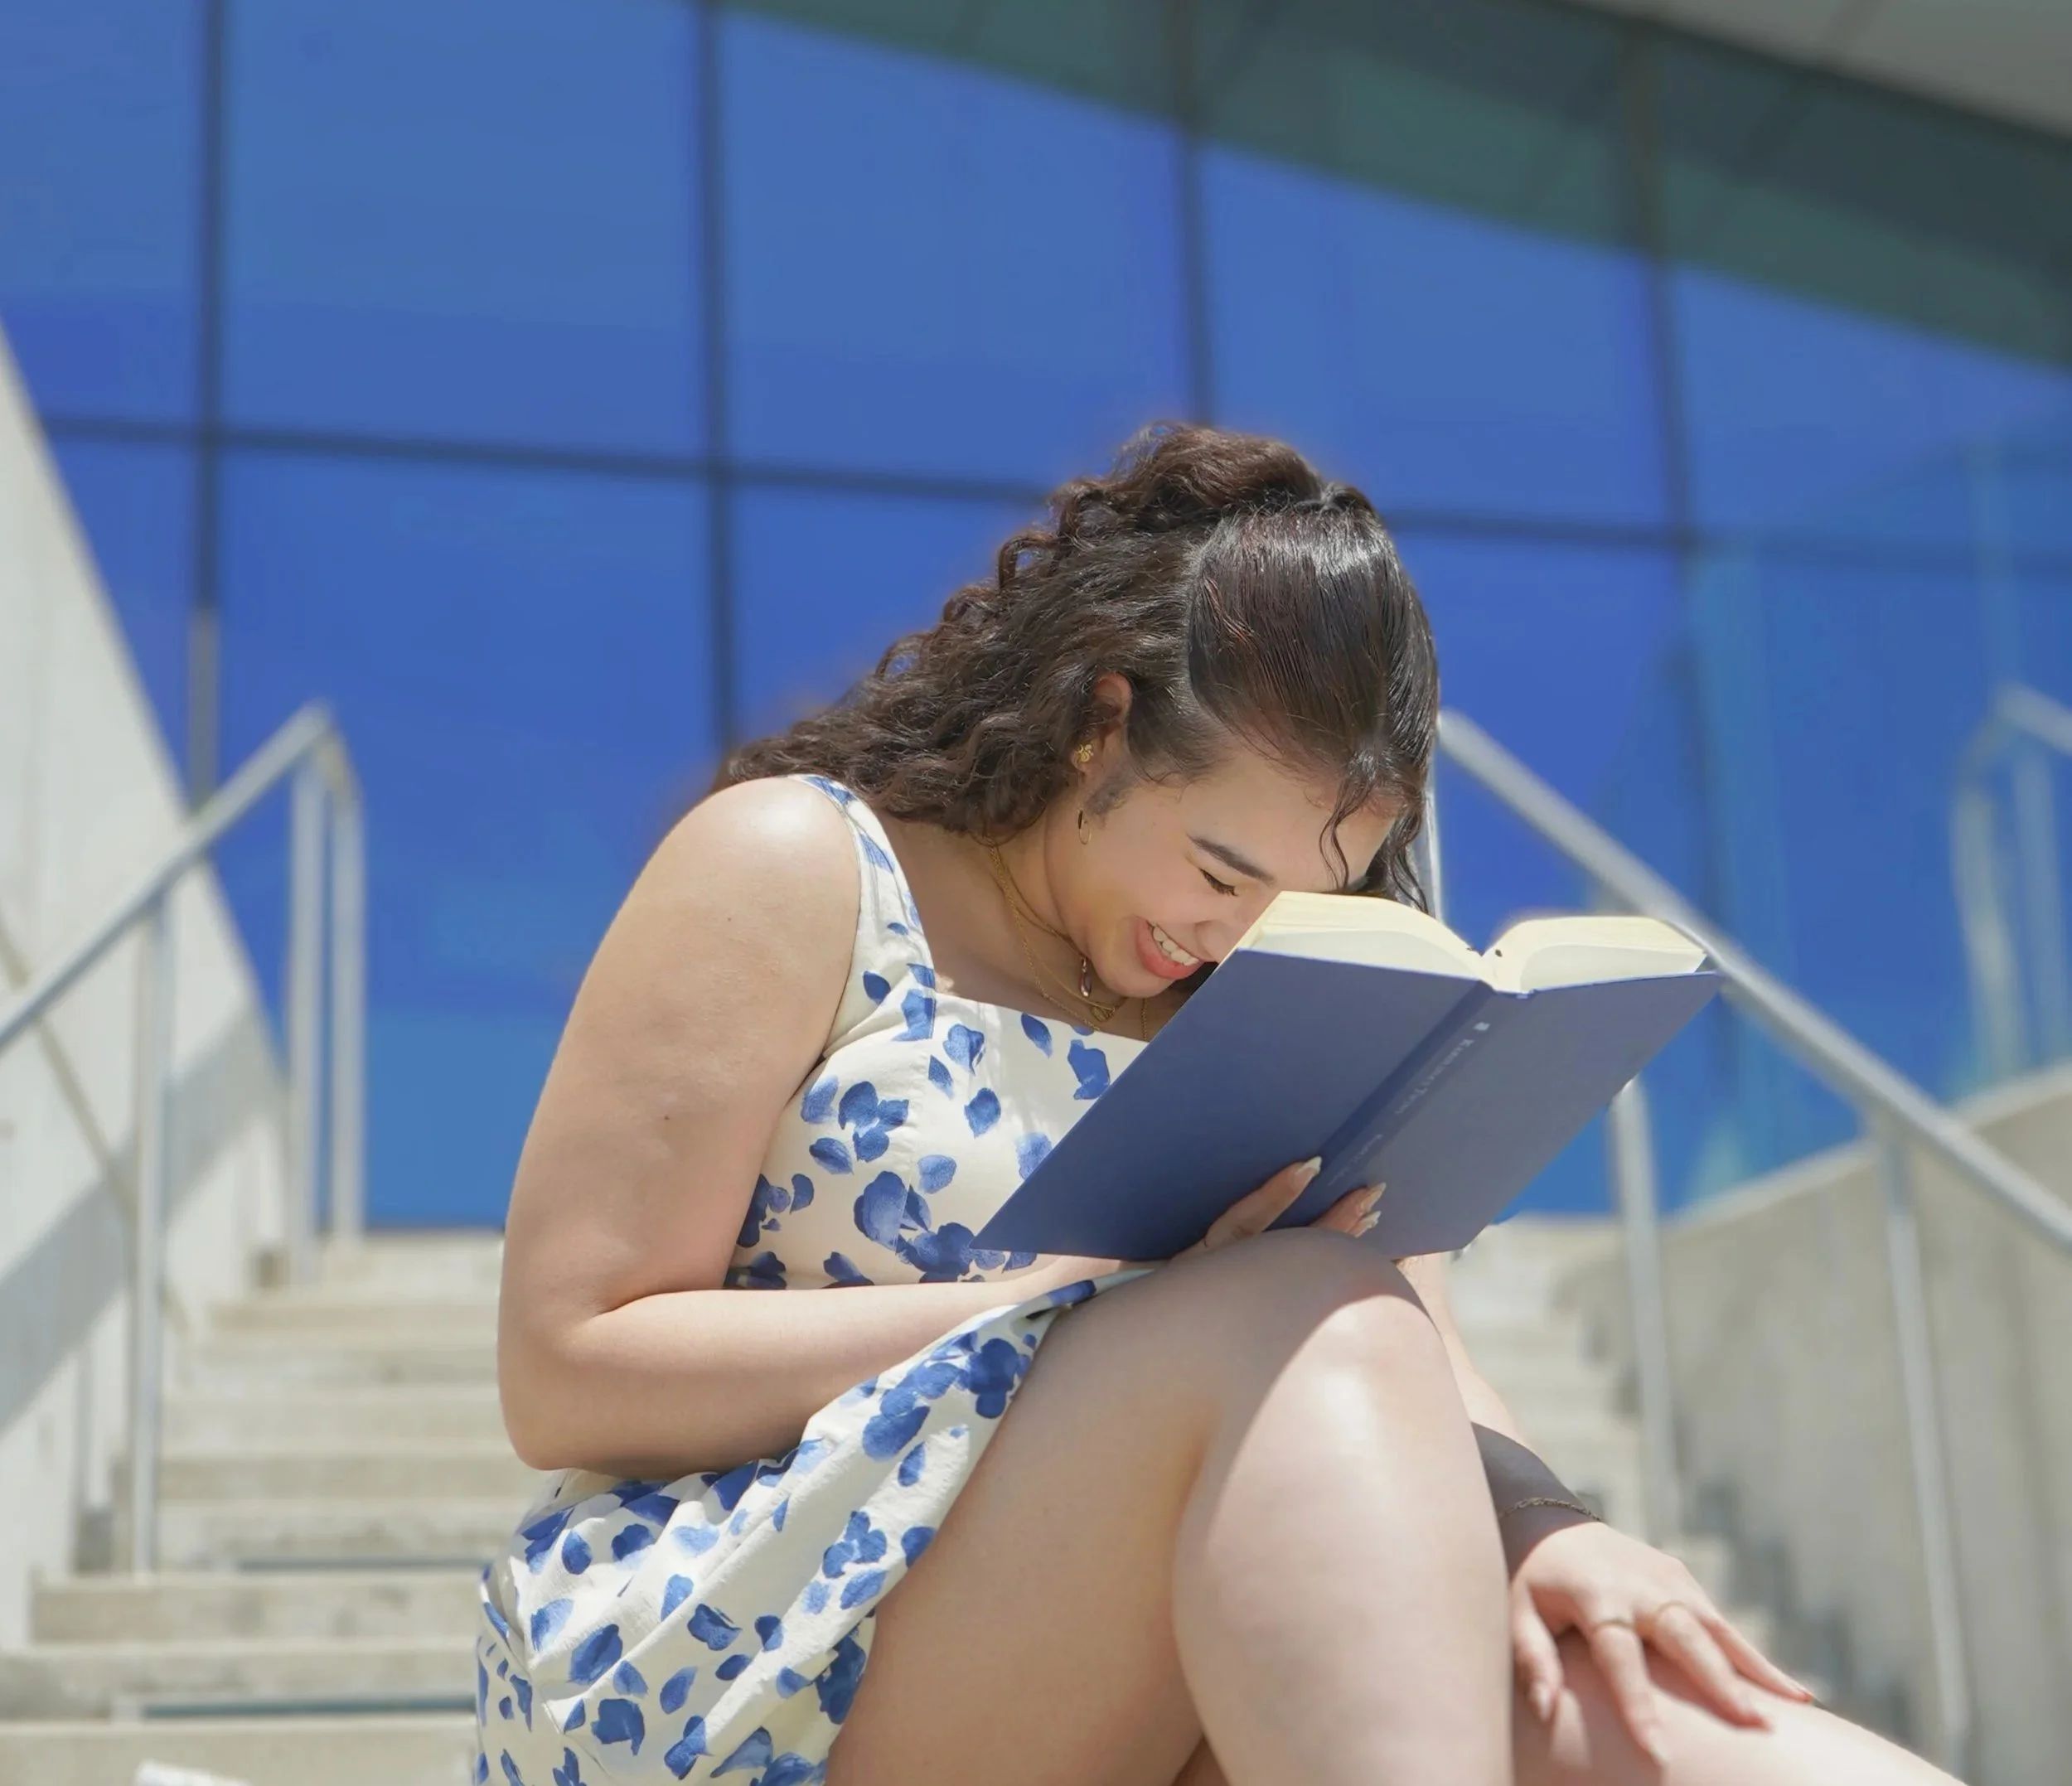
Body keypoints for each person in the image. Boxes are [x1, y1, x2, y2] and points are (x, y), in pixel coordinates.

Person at [482, 425, 1958, 1786]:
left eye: (1297, 900)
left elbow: (1406, 1340)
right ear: (1099, 726)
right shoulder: (797, 867)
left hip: (1154, 1623)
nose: (1233, 936)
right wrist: (1078, 1302)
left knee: (1659, 1712)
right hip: (746, 1650)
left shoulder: (1279, 1001)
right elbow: (568, 1363)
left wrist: (1552, 1527)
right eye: (1218, 870)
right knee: (1296, 1299)